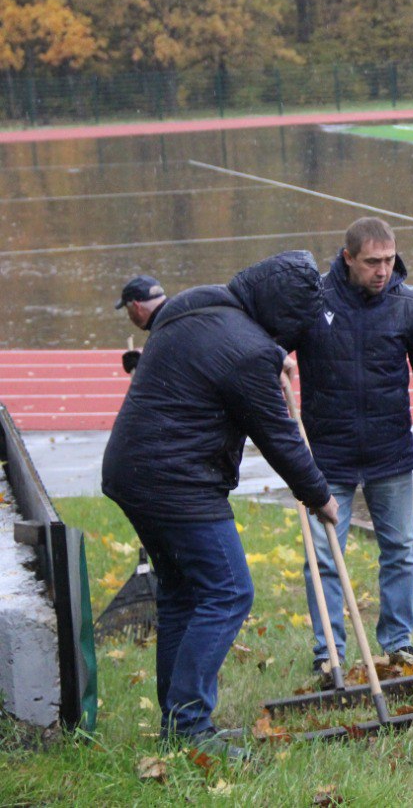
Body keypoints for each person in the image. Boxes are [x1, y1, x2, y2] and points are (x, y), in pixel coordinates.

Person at [101, 251, 339, 757]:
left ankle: (176, 721)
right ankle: (188, 726)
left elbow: (217, 365)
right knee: (230, 591)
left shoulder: (197, 305)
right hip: (176, 479)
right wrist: (319, 495)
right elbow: (279, 437)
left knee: (183, 594)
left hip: (130, 471)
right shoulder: (247, 349)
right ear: (283, 313)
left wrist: (268, 360)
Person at [295, 217, 413, 677]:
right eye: (372, 263)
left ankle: (398, 642)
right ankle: (330, 653)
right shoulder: (313, 301)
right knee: (323, 558)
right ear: (348, 259)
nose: (382, 271)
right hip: (326, 456)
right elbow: (272, 349)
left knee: (400, 550)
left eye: (388, 260)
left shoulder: (408, 303)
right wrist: (277, 358)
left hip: (389, 451)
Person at [115, 275, 166, 373]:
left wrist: (143, 368)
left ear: (136, 306)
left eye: (128, 309)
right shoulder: (175, 315)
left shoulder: (165, 329)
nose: (129, 316)